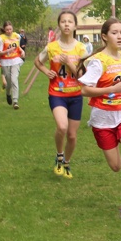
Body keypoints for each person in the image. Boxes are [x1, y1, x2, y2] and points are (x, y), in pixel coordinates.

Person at [79, 18, 121, 219]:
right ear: (105, 36)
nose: (120, 36)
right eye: (115, 33)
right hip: (103, 117)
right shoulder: (99, 61)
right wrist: (112, 89)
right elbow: (85, 90)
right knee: (116, 166)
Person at [34, 10, 87, 179]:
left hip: (76, 95)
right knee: (62, 127)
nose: (66, 24)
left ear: (75, 26)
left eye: (70, 22)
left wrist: (69, 63)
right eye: (63, 21)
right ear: (59, 25)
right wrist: (45, 70)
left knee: (72, 135)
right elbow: (37, 61)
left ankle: (67, 162)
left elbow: (82, 75)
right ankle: (59, 155)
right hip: (57, 93)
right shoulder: (52, 47)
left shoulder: (81, 48)